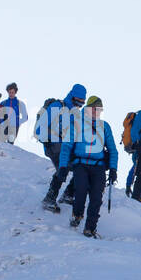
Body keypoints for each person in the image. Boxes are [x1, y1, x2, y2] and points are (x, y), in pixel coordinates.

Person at [57, 95, 119, 238]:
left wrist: (114, 168)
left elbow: (113, 149)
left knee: (96, 198)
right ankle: (77, 215)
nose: (98, 112)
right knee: (80, 192)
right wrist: (62, 167)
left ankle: (90, 228)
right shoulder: (77, 124)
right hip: (80, 164)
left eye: (100, 110)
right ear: (88, 108)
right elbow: (66, 147)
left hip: (99, 167)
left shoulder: (105, 126)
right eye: (95, 109)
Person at [39, 84, 86, 213]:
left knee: (81, 167)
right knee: (62, 168)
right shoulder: (57, 107)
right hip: (53, 145)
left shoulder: (76, 113)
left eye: (82, 103)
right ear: (72, 96)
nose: (79, 105)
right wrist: (47, 140)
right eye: (78, 102)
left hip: (67, 146)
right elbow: (40, 128)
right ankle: (49, 198)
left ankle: (68, 195)